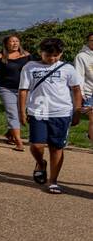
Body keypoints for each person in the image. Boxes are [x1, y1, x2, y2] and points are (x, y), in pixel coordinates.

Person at [18, 37, 84, 194]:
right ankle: (40, 163)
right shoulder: (29, 67)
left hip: (61, 112)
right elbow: (23, 90)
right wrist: (21, 111)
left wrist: (77, 111)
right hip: (38, 111)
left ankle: (53, 181)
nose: (52, 58)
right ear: (41, 52)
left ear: (61, 54)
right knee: (36, 146)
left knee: (56, 147)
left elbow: (76, 90)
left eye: (56, 55)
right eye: (48, 55)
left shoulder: (68, 69)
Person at [0, 34, 32, 150]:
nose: (15, 43)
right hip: (6, 89)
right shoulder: (0, 57)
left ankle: (10, 133)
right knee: (12, 113)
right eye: (12, 41)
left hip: (24, 89)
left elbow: (34, 71)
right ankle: (19, 142)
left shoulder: (27, 56)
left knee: (22, 113)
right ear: (6, 44)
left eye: (17, 41)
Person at [75, 32, 93, 143]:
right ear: (88, 42)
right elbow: (79, 76)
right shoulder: (81, 57)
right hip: (89, 92)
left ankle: (90, 134)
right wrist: (81, 94)